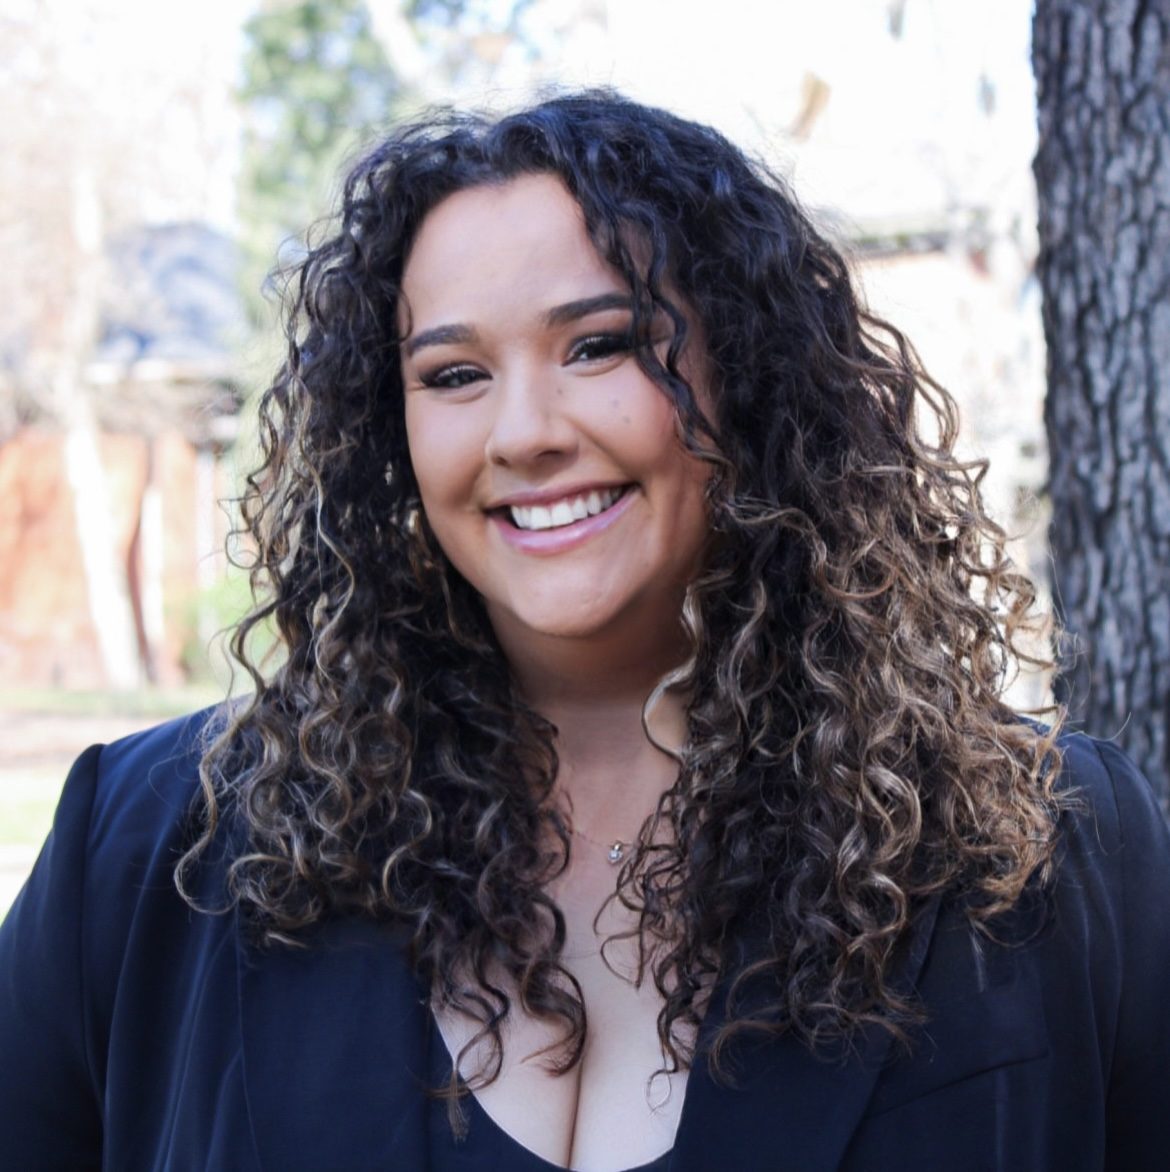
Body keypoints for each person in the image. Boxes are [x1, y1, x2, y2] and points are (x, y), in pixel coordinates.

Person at [2, 90, 1169, 1172]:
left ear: (746, 376)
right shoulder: (157, 844)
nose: (524, 431)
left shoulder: (1036, 852)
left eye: (600, 344)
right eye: (453, 373)